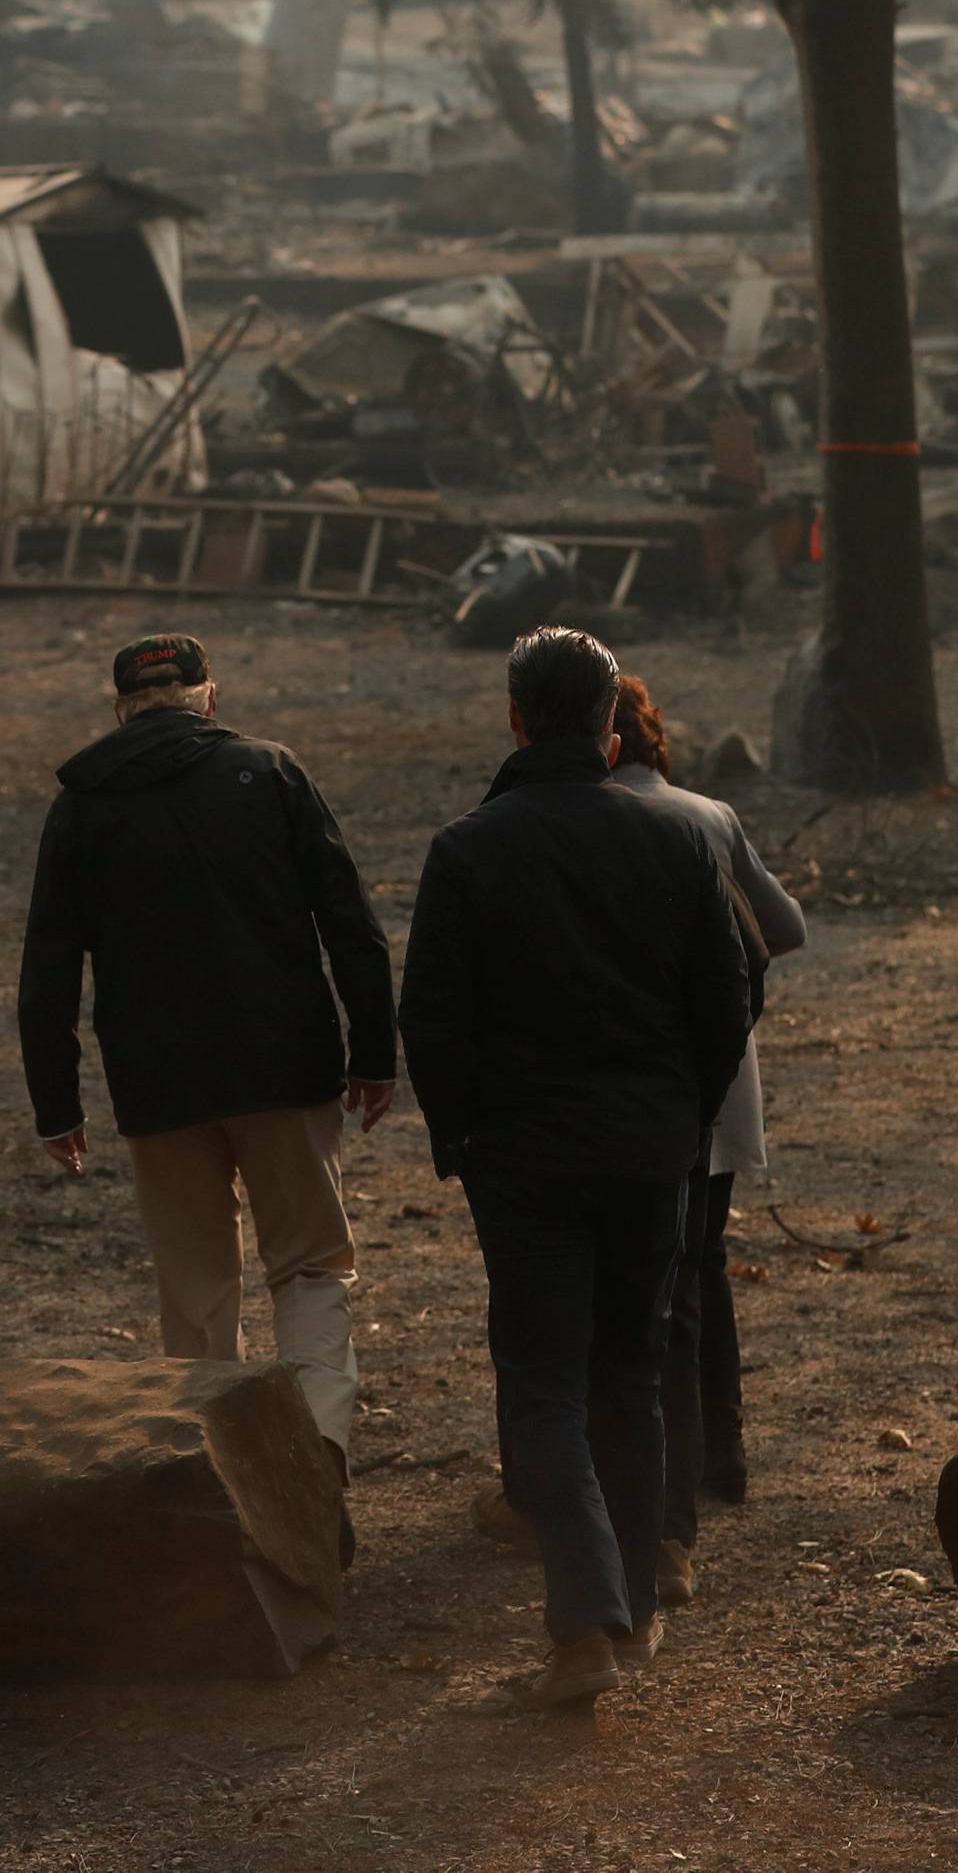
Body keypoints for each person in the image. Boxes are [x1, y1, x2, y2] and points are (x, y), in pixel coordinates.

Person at [398, 628, 750, 1711]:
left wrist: (463, 1140)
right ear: (611, 727)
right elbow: (724, 1006)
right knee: (631, 1377)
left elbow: (432, 1024)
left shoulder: (468, 851)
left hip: (525, 1158)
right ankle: (634, 1609)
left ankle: (589, 1621)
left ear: (513, 719)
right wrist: (681, 1121)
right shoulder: (678, 841)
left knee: (543, 1386)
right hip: (651, 1152)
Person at [16, 633, 396, 1515]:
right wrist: (374, 1052)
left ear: (121, 711)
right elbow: (351, 923)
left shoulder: (81, 807)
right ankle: (320, 1458)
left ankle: (214, 1493)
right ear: (209, 700)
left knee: (194, 1292)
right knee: (308, 1268)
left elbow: (46, 973)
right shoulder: (269, 775)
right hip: (285, 1069)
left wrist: (55, 1104)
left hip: (160, 1088)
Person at [607, 674, 806, 1603]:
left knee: (644, 1283)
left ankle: (642, 1482)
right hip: (720, 1076)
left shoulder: (568, 819)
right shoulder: (709, 815)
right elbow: (787, 927)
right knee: (703, 1265)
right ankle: (722, 1448)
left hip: (639, 1084)